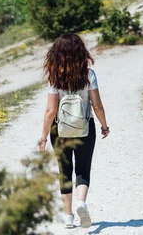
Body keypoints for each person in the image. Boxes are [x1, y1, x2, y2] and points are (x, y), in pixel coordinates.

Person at [38, 33, 110, 229]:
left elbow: (50, 111)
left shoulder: (55, 78)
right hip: (85, 127)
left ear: (57, 53)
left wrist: (43, 137)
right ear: (80, 52)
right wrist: (104, 126)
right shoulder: (89, 75)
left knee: (65, 170)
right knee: (83, 169)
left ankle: (69, 218)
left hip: (59, 130)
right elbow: (97, 106)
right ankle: (81, 202)